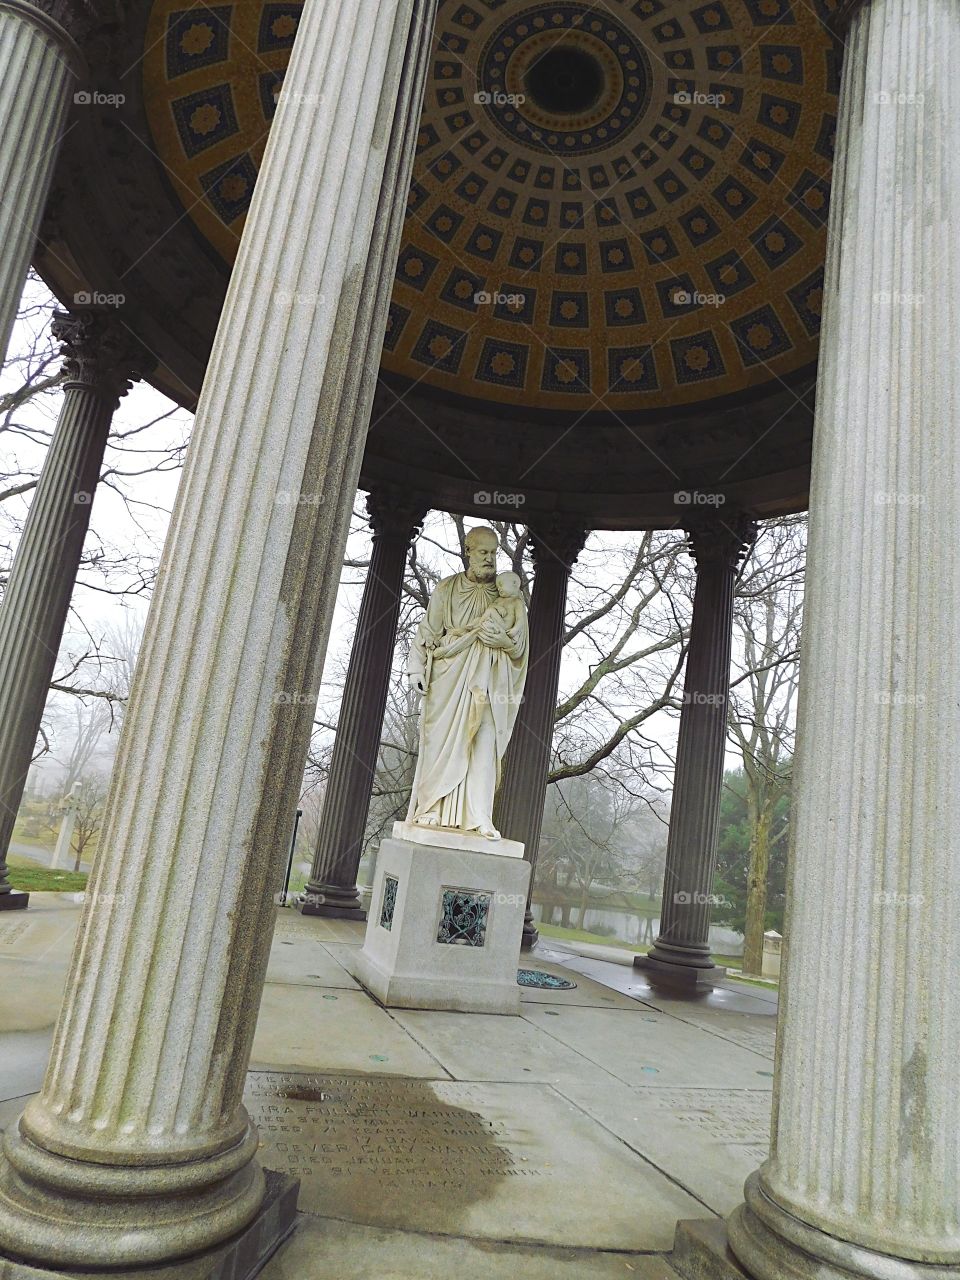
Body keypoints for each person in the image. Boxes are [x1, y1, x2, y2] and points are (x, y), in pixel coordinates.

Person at [406, 530, 528, 838]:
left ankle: (479, 815)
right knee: (443, 742)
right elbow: (428, 632)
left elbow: (520, 646)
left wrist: (504, 641)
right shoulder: (447, 589)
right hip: (449, 676)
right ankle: (432, 806)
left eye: (493, 553)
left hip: (489, 679)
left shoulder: (506, 597)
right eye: (483, 552)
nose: (489, 559)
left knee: (485, 742)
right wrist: (416, 670)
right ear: (468, 552)